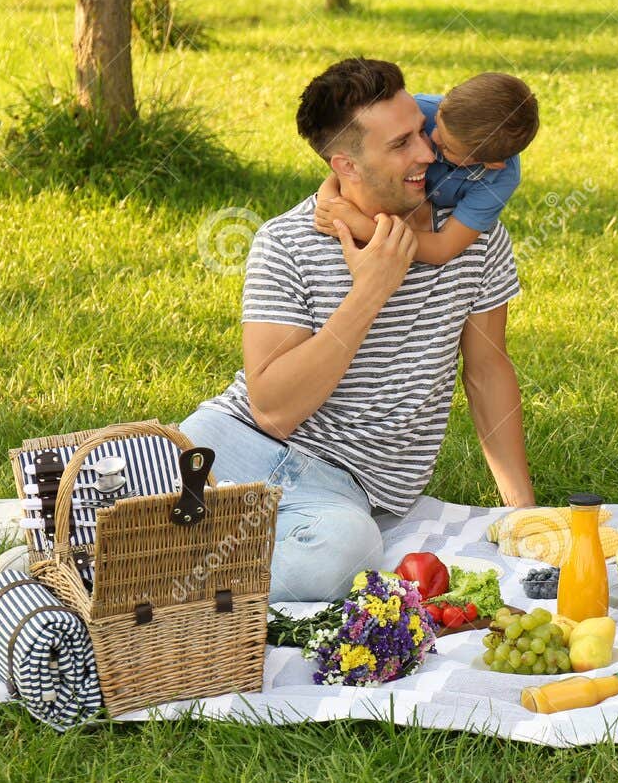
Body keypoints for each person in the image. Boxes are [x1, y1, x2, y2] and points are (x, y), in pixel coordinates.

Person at [178, 58, 534, 603]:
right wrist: (371, 290)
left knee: (342, 555)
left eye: (421, 131)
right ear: (345, 164)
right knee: (103, 493)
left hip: (340, 490)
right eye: (402, 144)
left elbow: (487, 371)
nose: (428, 153)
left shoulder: (476, 241)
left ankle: (147, 576)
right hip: (233, 443)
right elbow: (272, 409)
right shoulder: (287, 241)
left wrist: (523, 512)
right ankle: (139, 573)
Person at [312, 71, 538, 265]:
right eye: (433, 125)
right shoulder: (423, 110)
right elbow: (356, 160)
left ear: (491, 164)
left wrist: (366, 229)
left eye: (447, 147)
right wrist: (328, 202)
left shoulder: (500, 179)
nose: (431, 140)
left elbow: (442, 248)